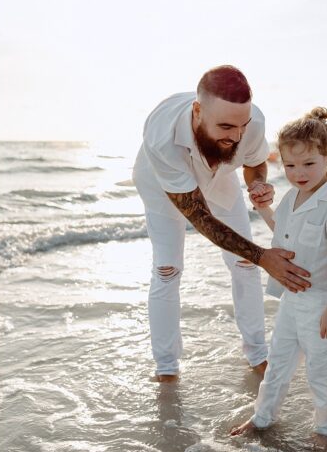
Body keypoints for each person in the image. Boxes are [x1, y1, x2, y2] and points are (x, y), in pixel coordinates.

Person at [133, 66, 312, 383]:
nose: (237, 136)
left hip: (220, 177)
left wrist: (257, 184)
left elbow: (255, 162)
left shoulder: (251, 122)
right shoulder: (162, 137)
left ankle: (258, 355)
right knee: (167, 269)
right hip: (163, 187)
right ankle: (166, 367)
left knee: (244, 264)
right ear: (198, 111)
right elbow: (200, 218)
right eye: (227, 126)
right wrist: (263, 255)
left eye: (242, 126)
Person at [230, 107, 327, 447]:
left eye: (308, 164)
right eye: (289, 166)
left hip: (321, 303)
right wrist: (263, 210)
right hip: (292, 300)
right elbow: (283, 234)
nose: (298, 173)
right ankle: (262, 418)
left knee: (321, 371)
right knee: (278, 365)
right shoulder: (292, 197)